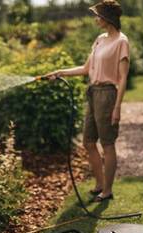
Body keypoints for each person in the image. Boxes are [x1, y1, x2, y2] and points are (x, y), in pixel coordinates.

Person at [43, 0, 129, 202]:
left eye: (98, 15)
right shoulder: (100, 39)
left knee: (107, 143)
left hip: (108, 94)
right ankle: (99, 184)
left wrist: (117, 107)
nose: (95, 19)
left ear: (107, 18)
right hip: (92, 92)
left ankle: (107, 191)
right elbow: (85, 68)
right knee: (88, 142)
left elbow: (123, 77)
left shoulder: (121, 42)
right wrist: (60, 72)